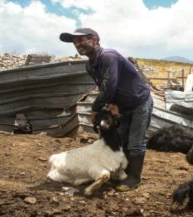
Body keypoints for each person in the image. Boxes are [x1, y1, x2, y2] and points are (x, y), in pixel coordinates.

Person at [59, 28, 153, 191]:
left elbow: (109, 87)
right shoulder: (90, 65)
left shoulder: (109, 56)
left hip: (139, 102)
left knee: (136, 142)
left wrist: (96, 108)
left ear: (95, 40)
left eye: (81, 40)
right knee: (121, 139)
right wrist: (112, 103)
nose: (77, 44)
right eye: (75, 42)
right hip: (122, 104)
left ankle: (134, 178)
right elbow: (104, 87)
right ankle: (122, 174)